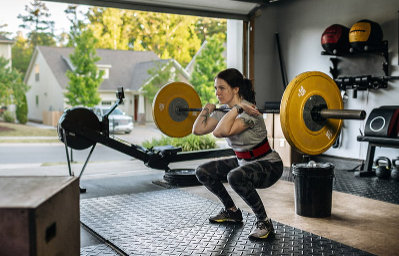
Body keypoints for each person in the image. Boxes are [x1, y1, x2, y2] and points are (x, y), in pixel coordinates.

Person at [192, 68, 283, 240]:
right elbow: (197, 130)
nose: (217, 92)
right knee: (202, 171)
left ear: (235, 89)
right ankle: (231, 211)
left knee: (234, 176)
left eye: (221, 88)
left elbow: (221, 132)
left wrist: (239, 108)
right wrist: (206, 109)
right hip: (244, 162)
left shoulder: (250, 112)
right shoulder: (224, 112)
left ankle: (264, 222)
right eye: (215, 88)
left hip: (269, 165)